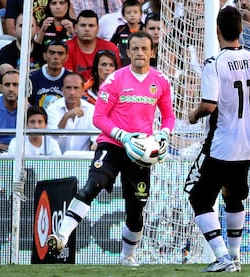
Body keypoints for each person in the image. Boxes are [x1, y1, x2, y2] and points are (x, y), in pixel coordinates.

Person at [46, 31, 175, 266]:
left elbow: (168, 117)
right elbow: (99, 117)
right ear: (127, 52)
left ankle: (127, 257)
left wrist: (164, 135)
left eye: (144, 49)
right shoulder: (115, 80)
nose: (139, 53)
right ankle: (62, 235)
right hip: (113, 144)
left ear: (152, 52)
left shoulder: (161, 82)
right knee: (92, 185)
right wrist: (122, 136)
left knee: (135, 210)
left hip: (140, 152)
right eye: (135, 48)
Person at [184, 6, 250, 273]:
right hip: (248, 144)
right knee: (233, 198)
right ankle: (235, 257)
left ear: (217, 30)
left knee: (198, 197)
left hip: (222, 143)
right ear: (242, 30)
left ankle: (223, 257)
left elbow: (209, 105)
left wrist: (192, 115)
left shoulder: (215, 63)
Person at [46, 72, 98, 153]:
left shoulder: (91, 110)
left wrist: (95, 145)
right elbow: (52, 140)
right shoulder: (52, 109)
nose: (72, 92)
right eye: (68, 88)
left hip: (84, 161)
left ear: (83, 90)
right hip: (57, 160)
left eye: (76, 88)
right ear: (62, 90)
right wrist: (66, 117)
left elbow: (96, 138)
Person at [64, 9, 121, 81]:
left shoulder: (110, 48)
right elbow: (68, 80)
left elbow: (118, 78)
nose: (87, 29)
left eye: (91, 26)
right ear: (75, 28)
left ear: (98, 29)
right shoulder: (66, 48)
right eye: (83, 25)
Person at [29, 39, 69, 109]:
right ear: (44, 56)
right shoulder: (32, 78)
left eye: (60, 53)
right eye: (52, 53)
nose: (56, 57)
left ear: (66, 57)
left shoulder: (71, 79)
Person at [110, 0, 143, 66]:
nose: (132, 15)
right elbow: (111, 45)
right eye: (128, 13)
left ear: (141, 14)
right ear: (123, 15)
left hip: (141, 62)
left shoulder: (144, 29)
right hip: (123, 63)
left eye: (135, 12)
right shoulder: (120, 29)